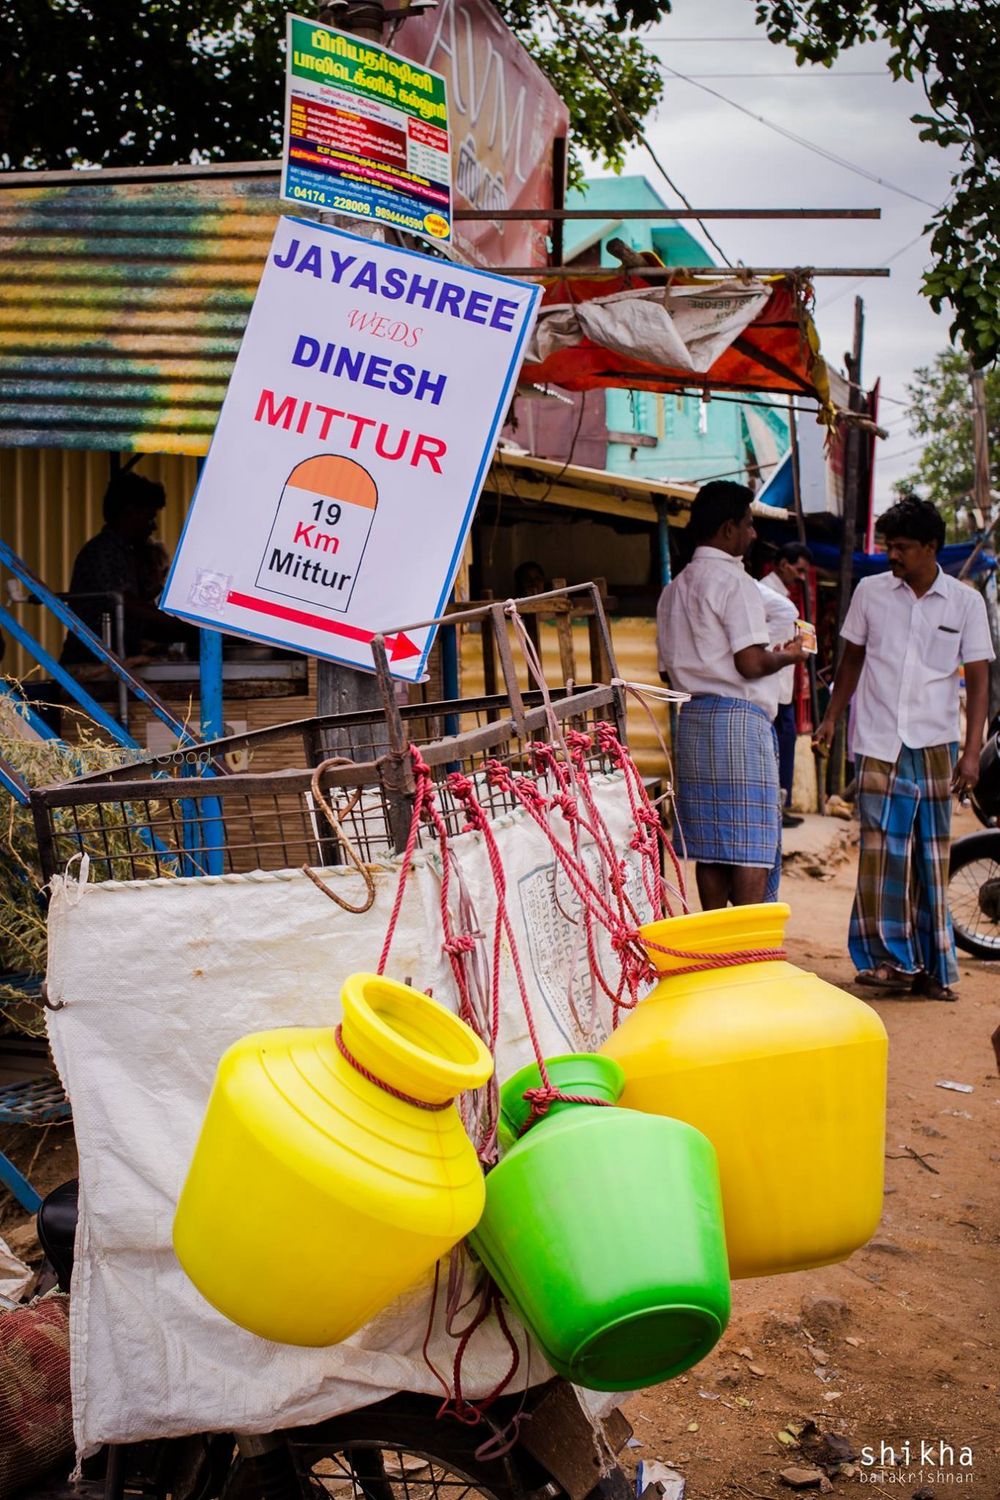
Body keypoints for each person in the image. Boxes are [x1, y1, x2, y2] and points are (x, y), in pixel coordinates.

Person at [813, 496, 993, 1001]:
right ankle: (888, 961)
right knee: (881, 853)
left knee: (930, 857)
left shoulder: (965, 603)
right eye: (889, 545)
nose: (893, 554)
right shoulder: (871, 593)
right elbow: (851, 662)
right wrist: (831, 718)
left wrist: (972, 752)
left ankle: (934, 967)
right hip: (877, 740)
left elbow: (978, 681)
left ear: (931, 548)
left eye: (903, 547)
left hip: (937, 744)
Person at [657, 482, 809, 910]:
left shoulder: (674, 589)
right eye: (748, 524)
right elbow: (750, 663)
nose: (753, 534)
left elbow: (667, 670)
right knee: (752, 842)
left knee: (712, 844)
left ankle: (721, 942)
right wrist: (788, 656)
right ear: (728, 529)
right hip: (738, 722)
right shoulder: (735, 582)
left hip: (693, 720)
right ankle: (748, 950)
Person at [60, 472, 193, 665]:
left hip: (119, 657)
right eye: (149, 518)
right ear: (130, 513)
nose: (153, 527)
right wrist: (173, 622)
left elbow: (148, 601)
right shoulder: (102, 551)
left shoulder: (133, 553)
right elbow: (125, 602)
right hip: (91, 662)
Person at [760, 542, 814, 823]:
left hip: (783, 687)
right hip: (770, 687)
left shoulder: (779, 596)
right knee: (775, 748)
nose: (801, 577)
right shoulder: (766, 594)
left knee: (784, 745)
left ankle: (781, 806)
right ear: (782, 563)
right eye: (798, 569)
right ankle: (775, 808)